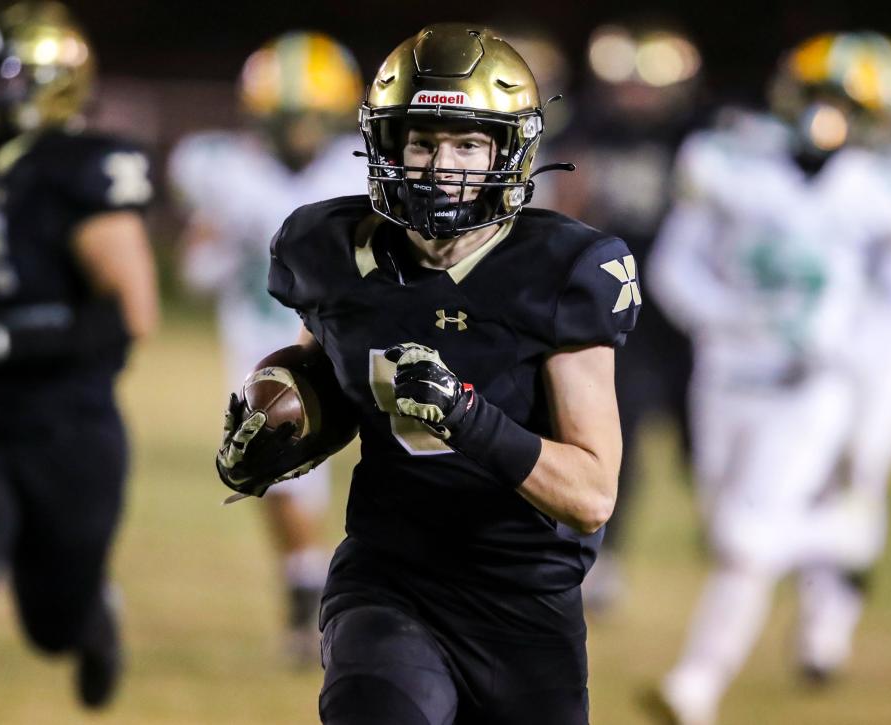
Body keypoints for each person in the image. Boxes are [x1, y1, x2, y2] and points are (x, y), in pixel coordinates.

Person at [215, 23, 640, 724]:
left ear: (510, 151)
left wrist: (469, 418)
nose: (442, 165)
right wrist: (277, 433)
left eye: (469, 143)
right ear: (388, 145)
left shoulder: (562, 272)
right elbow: (325, 380)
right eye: (422, 141)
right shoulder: (330, 249)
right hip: (390, 578)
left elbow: (591, 493)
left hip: (523, 600)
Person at [644, 31, 891, 725]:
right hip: (725, 376)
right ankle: (849, 534)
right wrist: (728, 318)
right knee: (725, 526)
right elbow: (672, 267)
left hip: (808, 386)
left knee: (746, 537)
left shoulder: (883, 189)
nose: (832, 118)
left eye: (851, 105)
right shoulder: (731, 161)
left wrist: (844, 354)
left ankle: (694, 684)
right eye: (824, 99)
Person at [0, 1, 157, 719]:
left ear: (51, 83)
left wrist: (12, 340)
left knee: (52, 625)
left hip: (64, 425)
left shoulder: (80, 169)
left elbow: (131, 313)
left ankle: (92, 614)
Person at [168, 31, 365, 665]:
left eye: (311, 117)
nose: (301, 132)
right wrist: (213, 242)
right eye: (288, 118)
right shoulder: (227, 170)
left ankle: (337, 587)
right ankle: (308, 582)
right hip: (259, 334)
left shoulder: (358, 169)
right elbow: (197, 271)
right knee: (275, 463)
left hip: (350, 335)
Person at [550, 21, 703, 610]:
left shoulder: (701, 137)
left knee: (708, 437)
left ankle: (740, 535)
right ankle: (606, 556)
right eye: (628, 82)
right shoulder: (587, 130)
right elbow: (568, 204)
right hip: (619, 301)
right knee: (622, 429)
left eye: (649, 83)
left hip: (692, 310)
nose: (637, 94)